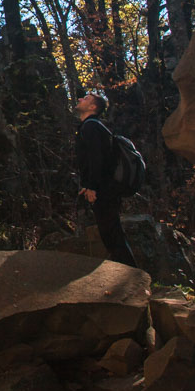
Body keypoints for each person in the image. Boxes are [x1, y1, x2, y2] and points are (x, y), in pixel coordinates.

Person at [75, 90, 138, 268]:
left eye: (86, 98)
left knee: (112, 234)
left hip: (105, 189)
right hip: (106, 188)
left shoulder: (91, 126)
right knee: (110, 233)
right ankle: (128, 274)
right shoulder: (92, 126)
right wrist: (87, 185)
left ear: (93, 107)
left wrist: (92, 187)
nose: (80, 99)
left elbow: (97, 158)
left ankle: (131, 277)